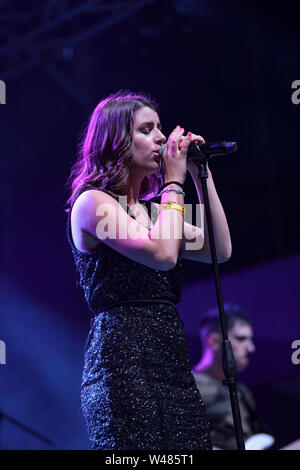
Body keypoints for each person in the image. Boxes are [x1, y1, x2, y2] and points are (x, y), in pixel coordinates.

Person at [65, 90, 232, 450]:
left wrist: (201, 175)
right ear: (117, 142)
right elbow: (162, 254)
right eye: (147, 129)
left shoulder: (156, 213)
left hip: (170, 362)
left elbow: (220, 249)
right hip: (123, 364)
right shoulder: (92, 203)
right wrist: (174, 183)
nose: (161, 137)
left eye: (160, 127)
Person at [193, 303, 270, 450]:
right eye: (241, 339)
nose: (251, 348)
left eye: (250, 339)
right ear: (214, 341)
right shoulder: (188, 388)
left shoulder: (242, 391)